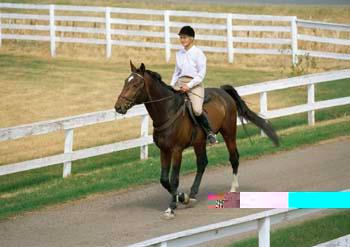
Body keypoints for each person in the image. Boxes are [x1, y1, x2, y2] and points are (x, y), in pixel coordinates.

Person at [170, 26, 218, 144]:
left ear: (191, 39)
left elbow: (201, 74)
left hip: (195, 84)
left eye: (184, 37)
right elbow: (176, 72)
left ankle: (210, 133)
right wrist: (171, 85)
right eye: (181, 37)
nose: (182, 40)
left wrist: (189, 86)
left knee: (196, 110)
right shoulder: (179, 53)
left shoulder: (198, 53)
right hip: (180, 81)